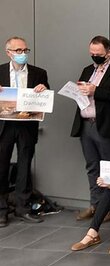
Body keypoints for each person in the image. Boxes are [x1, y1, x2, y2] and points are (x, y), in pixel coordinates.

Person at [72, 36, 110, 221]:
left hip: (106, 126)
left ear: (109, 52)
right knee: (92, 167)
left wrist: (95, 91)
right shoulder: (87, 70)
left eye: (98, 54)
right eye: (92, 54)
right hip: (85, 125)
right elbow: (81, 92)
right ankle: (96, 205)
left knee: (109, 169)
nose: (95, 57)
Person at [0, 36, 49, 227]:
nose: (22, 54)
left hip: (27, 125)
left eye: (25, 51)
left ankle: (23, 208)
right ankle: (2, 211)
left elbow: (46, 96)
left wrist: (43, 89)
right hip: (3, 126)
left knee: (24, 167)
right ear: (9, 52)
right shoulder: (0, 71)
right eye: (18, 51)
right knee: (1, 168)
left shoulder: (39, 73)